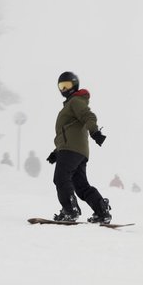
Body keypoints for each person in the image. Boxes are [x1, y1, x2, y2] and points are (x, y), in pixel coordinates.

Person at [46, 71, 112, 223]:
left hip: (70, 150)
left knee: (61, 179)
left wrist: (95, 132)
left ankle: (70, 210)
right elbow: (68, 132)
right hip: (77, 151)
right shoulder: (72, 104)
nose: (64, 89)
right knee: (81, 187)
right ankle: (101, 211)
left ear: (75, 84)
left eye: (67, 85)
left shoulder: (75, 102)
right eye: (61, 86)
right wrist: (56, 152)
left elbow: (89, 116)